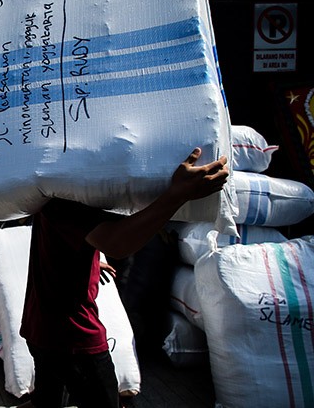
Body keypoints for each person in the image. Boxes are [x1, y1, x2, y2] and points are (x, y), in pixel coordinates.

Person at [19, 147, 229, 408]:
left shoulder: (55, 188)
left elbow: (74, 240)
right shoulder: (66, 200)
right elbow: (117, 244)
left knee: (46, 402)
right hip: (72, 335)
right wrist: (178, 194)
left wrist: (93, 261)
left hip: (41, 326)